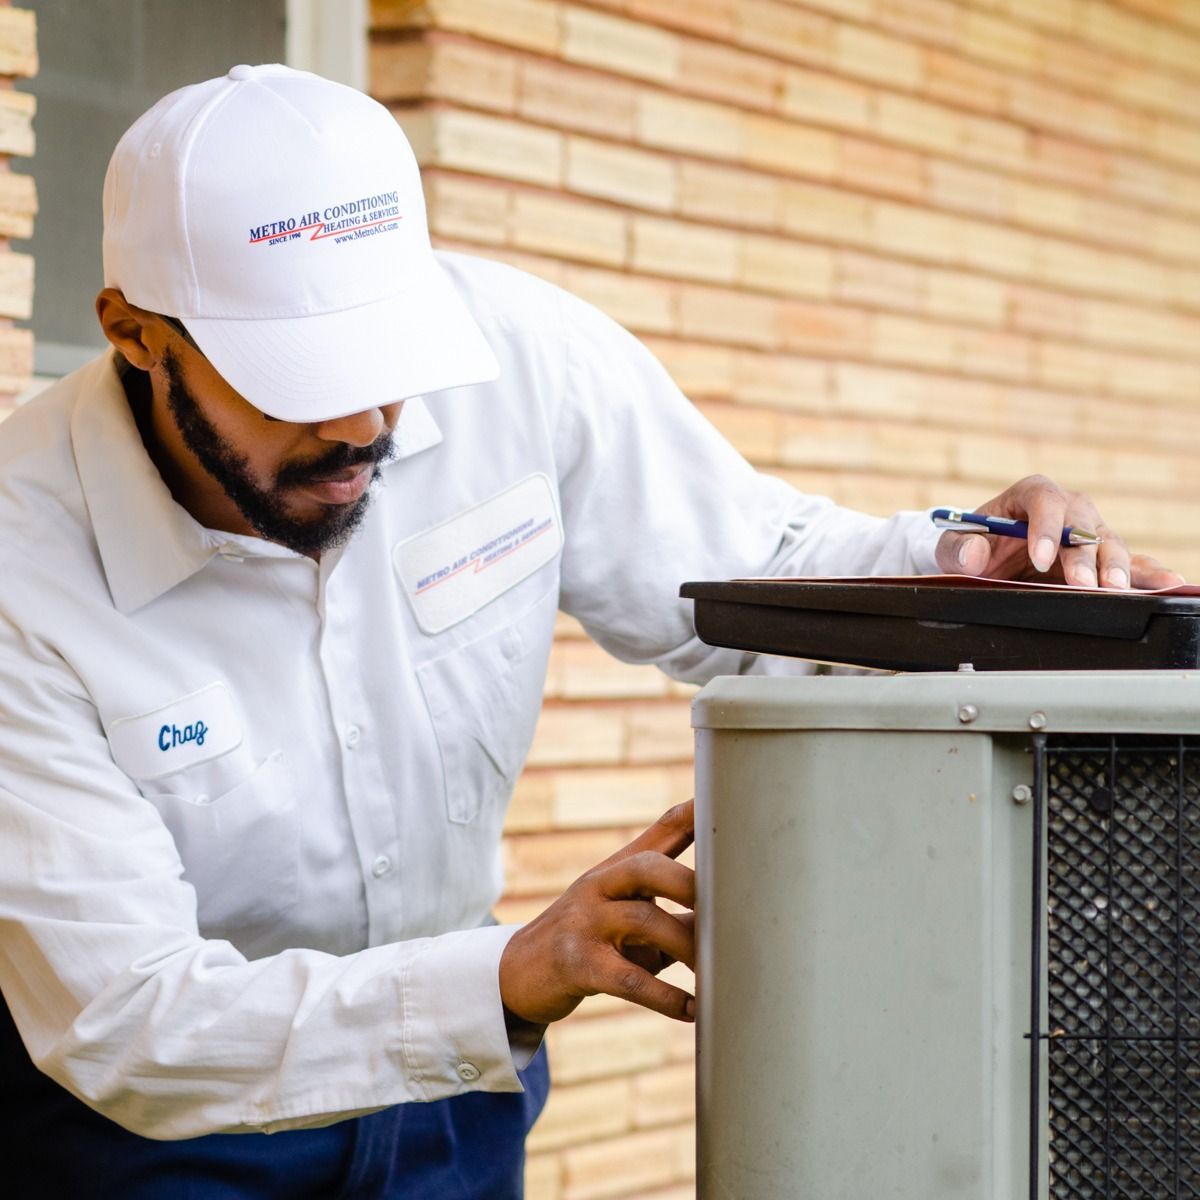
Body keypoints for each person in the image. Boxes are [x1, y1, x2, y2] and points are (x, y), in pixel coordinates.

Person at [0, 64, 1181, 1199]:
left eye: (389, 363)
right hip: (151, 1134)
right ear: (135, 331)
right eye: (299, 381)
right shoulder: (21, 564)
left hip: (457, 1107)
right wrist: (510, 973)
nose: (365, 424)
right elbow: (127, 1017)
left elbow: (753, 571)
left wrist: (969, 568)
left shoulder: (519, 359)